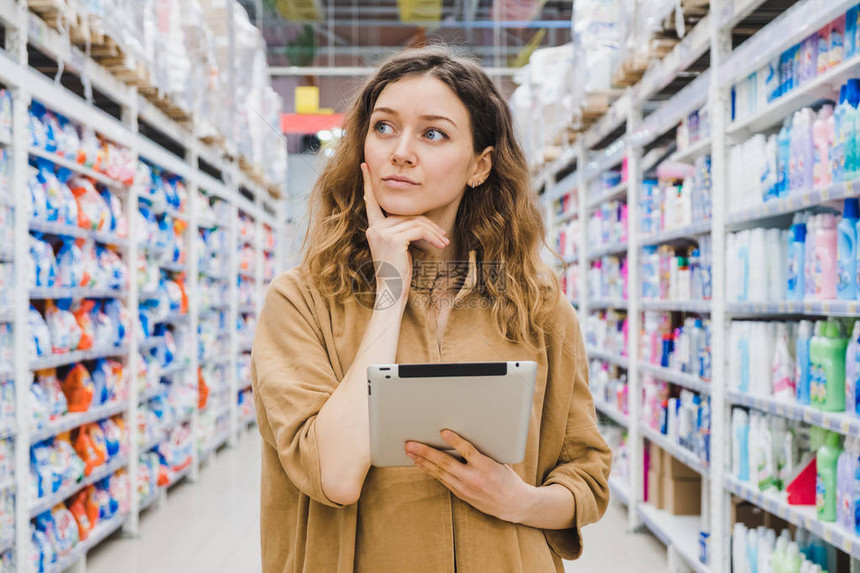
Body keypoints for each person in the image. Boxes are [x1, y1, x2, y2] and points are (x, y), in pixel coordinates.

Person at [251, 45, 611, 573]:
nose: (401, 152)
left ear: (480, 166)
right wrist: (390, 291)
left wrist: (520, 500)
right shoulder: (301, 301)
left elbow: (586, 473)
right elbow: (335, 475)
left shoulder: (536, 303)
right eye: (384, 128)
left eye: (433, 133)